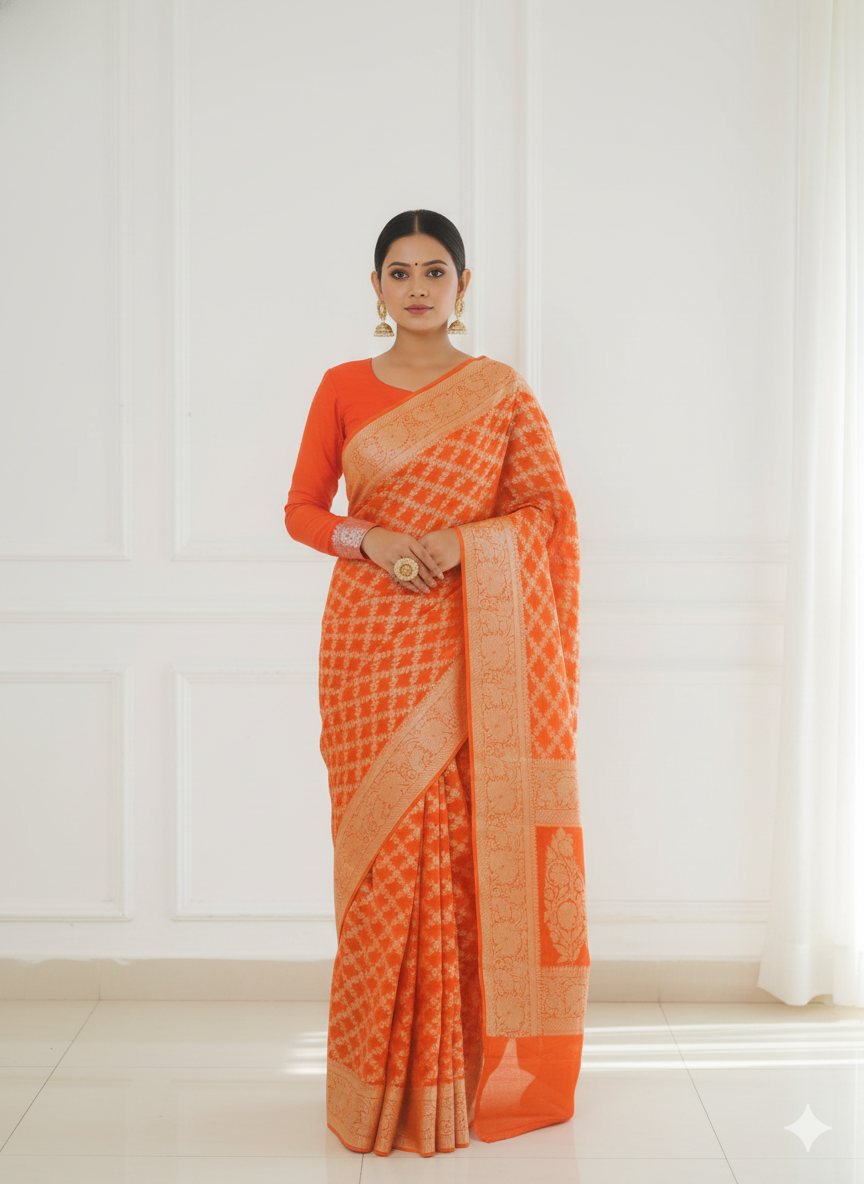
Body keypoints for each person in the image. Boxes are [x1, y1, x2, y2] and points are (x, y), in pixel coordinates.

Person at [284, 208, 590, 1157]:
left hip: (472, 638)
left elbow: (546, 514)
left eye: (435, 270)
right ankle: (376, 1085)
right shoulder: (340, 386)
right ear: (374, 288)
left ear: (464, 285)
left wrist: (458, 543)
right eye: (398, 271)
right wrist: (369, 537)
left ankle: (451, 1081)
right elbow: (300, 508)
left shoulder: (497, 392)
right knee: (382, 858)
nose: (417, 286)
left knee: (458, 847)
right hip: (370, 636)